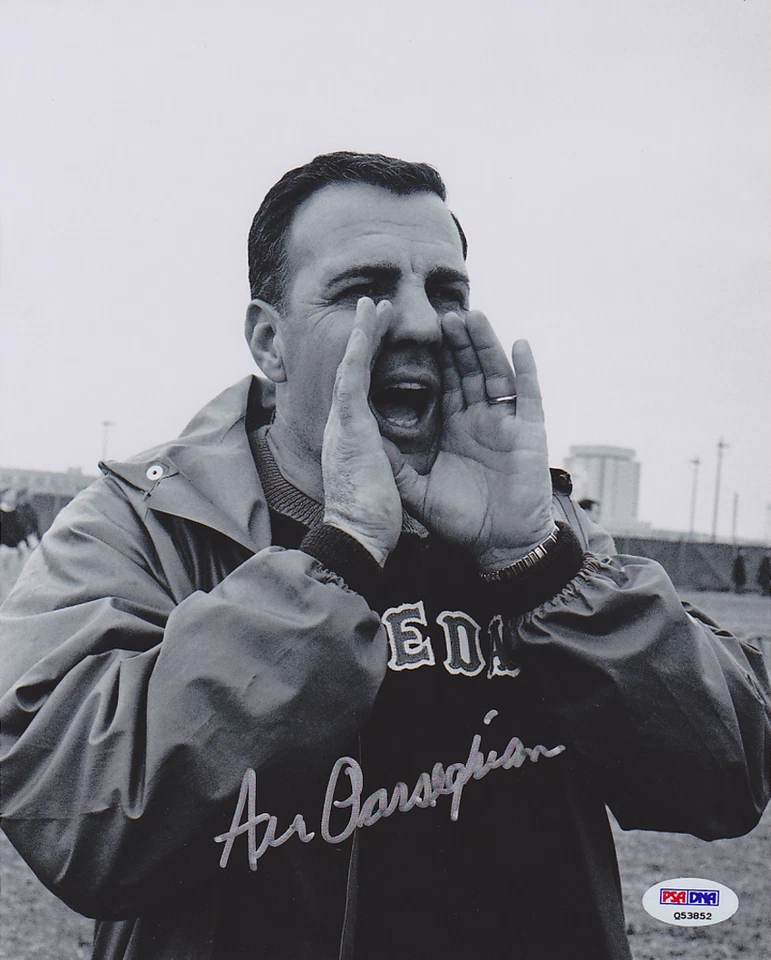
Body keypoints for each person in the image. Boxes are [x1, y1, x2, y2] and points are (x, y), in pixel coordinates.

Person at [1, 152, 769, 960]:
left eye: (446, 292)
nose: (420, 322)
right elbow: (90, 826)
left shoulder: (541, 527)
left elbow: (724, 778)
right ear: (269, 341)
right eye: (363, 288)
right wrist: (341, 555)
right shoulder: (143, 522)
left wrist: (535, 564)